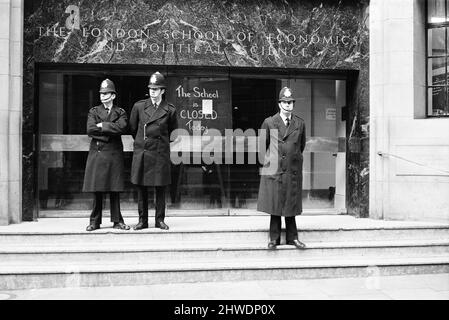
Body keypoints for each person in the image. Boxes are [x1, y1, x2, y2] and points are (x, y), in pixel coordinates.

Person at [257, 86, 307, 250]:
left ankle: (293, 238)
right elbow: (262, 146)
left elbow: (301, 146)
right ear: (279, 104)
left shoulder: (299, 123)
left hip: (292, 171)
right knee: (275, 205)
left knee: (290, 205)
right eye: (285, 102)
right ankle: (274, 239)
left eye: (290, 102)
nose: (288, 105)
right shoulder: (269, 122)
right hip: (275, 170)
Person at [129, 72, 178, 230]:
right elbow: (132, 128)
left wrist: (159, 144)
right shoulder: (139, 107)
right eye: (151, 88)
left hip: (160, 153)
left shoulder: (170, 110)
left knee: (160, 187)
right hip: (143, 152)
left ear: (162, 91)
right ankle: (142, 220)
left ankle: (159, 220)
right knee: (141, 187)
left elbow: (173, 133)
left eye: (156, 89)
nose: (152, 91)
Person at [83, 78, 130, 231]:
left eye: (106, 93)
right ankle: (94, 221)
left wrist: (102, 126)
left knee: (115, 189)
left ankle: (117, 221)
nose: (103, 96)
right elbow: (90, 130)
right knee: (97, 189)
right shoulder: (94, 111)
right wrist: (110, 131)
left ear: (113, 95)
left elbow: (122, 128)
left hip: (114, 154)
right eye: (101, 94)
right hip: (98, 154)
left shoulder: (120, 112)